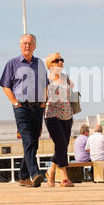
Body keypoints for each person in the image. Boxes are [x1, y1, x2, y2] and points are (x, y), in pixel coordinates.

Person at [0, 34, 48, 188]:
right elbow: (6, 85)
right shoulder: (12, 64)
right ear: (20, 46)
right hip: (21, 108)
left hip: (37, 107)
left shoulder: (40, 63)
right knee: (28, 140)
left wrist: (43, 103)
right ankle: (35, 173)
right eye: (25, 43)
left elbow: (45, 84)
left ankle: (23, 176)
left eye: (30, 43)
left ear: (35, 46)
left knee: (34, 142)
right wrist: (14, 102)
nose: (27, 45)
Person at [44, 52, 75, 187]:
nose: (60, 62)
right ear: (50, 64)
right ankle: (64, 177)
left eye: (61, 60)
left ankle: (50, 172)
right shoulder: (46, 79)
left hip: (67, 115)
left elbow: (71, 92)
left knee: (63, 145)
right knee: (61, 143)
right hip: (51, 115)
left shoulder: (66, 77)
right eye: (57, 60)